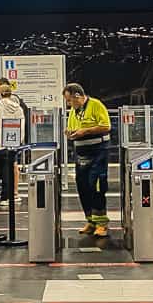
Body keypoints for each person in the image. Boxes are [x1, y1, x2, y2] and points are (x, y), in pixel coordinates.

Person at [64, 82, 112, 238]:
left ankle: (102, 224)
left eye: (69, 100)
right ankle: (91, 220)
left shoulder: (96, 105)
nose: (68, 103)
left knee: (96, 184)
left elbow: (106, 126)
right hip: (80, 152)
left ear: (77, 96)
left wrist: (86, 131)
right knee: (82, 185)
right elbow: (73, 127)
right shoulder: (74, 110)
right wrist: (70, 132)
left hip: (98, 151)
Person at [0, 78, 27, 206]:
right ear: (11, 94)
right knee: (8, 171)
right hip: (11, 143)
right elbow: (21, 127)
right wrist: (18, 142)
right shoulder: (18, 108)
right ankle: (6, 197)